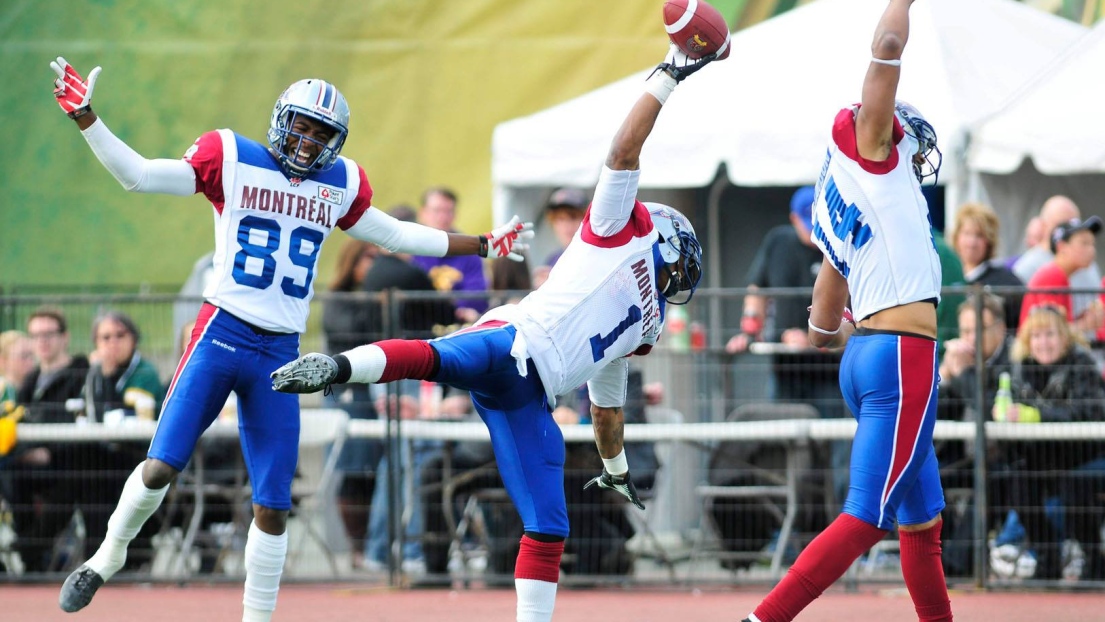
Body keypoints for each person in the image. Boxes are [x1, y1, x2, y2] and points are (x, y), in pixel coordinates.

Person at [49, 56, 532, 620]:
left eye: (320, 132)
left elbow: (399, 234)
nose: (307, 141)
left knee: (273, 504)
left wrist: (480, 244)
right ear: (281, 119)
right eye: (301, 125)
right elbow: (137, 174)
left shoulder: (339, 183)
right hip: (221, 332)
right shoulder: (231, 155)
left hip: (279, 349)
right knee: (161, 466)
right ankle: (104, 559)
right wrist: (87, 117)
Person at [271, 42, 717, 621]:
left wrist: (614, 468)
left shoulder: (642, 324)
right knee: (436, 358)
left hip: (528, 392)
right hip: (514, 342)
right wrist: (670, 73)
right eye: (679, 270)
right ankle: (337, 367)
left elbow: (607, 410)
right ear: (668, 248)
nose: (676, 282)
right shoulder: (617, 232)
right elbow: (624, 148)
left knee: (549, 525)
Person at [741, 2, 953, 620]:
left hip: (865, 355)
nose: (915, 155)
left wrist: (824, 333)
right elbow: (887, 44)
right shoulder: (873, 153)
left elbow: (823, 309)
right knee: (867, 517)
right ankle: (763, 617)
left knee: (922, 520)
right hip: (900, 353)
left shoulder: (837, 195)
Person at [999, 304, 1105, 580]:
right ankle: (1047, 556)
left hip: (1086, 455)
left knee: (1074, 485)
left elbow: (1088, 412)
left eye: (1050, 334)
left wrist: (1037, 415)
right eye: (1036, 336)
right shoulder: (1019, 369)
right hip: (1043, 456)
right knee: (1018, 482)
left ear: (1064, 337)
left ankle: (1094, 558)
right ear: (1027, 341)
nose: (1043, 342)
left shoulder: (1082, 364)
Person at [320, 238, 380, 571]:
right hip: (347, 394)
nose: (374, 265)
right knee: (353, 470)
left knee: (373, 472)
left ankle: (372, 545)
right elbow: (350, 335)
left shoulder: (377, 296)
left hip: (374, 392)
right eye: (369, 257)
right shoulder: (338, 300)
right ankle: (358, 546)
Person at [1012, 196, 1103, 325]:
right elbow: (1053, 335)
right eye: (1084, 243)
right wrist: (1084, 324)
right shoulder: (1052, 275)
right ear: (1062, 247)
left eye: (1092, 244)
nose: (1091, 250)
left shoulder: (1061, 273)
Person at [411, 187, 491, 324]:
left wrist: (445, 309)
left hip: (458, 326)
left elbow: (477, 294)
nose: (443, 217)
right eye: (436, 211)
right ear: (423, 213)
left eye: (448, 211)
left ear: (455, 214)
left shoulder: (468, 249)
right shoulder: (411, 248)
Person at [949, 203, 1024, 330]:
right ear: (957, 237)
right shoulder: (946, 276)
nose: (972, 242)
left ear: (989, 241)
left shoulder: (1006, 282)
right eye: (967, 233)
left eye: (979, 235)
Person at [82, 311, 165, 422]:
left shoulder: (145, 373)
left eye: (120, 335)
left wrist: (108, 379)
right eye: (106, 338)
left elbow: (129, 420)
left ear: (133, 339)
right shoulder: (93, 372)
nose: (113, 343)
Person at [17, 307, 90, 424]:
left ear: (65, 337)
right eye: (35, 335)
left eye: (49, 334)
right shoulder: (29, 382)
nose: (42, 340)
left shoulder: (83, 375)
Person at [0, 331, 34, 403]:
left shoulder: (34, 387)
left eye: (32, 355)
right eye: (24, 356)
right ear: (3, 360)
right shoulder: (3, 391)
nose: (30, 361)